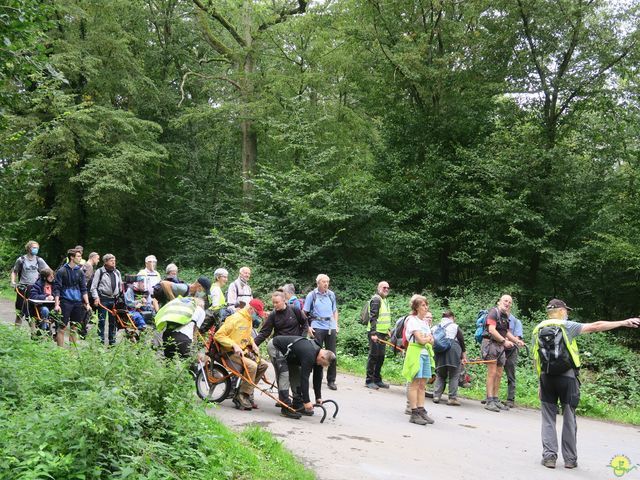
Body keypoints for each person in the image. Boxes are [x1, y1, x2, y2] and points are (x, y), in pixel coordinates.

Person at [533, 299, 640, 469]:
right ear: (561, 311)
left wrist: (540, 382)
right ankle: (570, 460)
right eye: (566, 310)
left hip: (546, 378)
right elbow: (596, 326)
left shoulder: (538, 328)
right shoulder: (566, 325)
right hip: (567, 378)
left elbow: (536, 358)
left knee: (548, 418)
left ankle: (549, 457)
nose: (567, 312)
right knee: (569, 417)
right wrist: (624, 322)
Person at [255, 291, 309, 413]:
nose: (274, 305)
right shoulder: (273, 315)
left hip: (295, 347)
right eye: (273, 303)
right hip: (279, 348)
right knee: (283, 374)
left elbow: (305, 323)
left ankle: (297, 402)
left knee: (296, 373)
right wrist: (252, 345)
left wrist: (302, 338)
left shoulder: (294, 310)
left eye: (277, 302)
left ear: (284, 301)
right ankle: (283, 401)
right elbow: (264, 332)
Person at [214, 299, 269, 410]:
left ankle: (248, 391)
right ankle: (241, 395)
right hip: (230, 352)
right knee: (252, 366)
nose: (258, 317)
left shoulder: (248, 319)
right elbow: (218, 335)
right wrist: (233, 345)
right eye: (257, 314)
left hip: (243, 350)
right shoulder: (235, 318)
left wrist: (253, 344)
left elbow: (247, 336)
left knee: (263, 364)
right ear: (251, 309)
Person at [271, 335, 335, 419]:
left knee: (296, 375)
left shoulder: (319, 355)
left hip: (291, 355)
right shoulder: (310, 354)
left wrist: (318, 397)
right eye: (322, 364)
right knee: (284, 375)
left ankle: (297, 403)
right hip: (276, 346)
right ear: (322, 357)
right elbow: (304, 378)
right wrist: (307, 401)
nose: (320, 365)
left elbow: (317, 378)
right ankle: (285, 406)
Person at [481, 294, 525, 412]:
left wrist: (516, 341)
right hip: (490, 344)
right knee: (492, 372)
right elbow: (491, 330)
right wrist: (504, 341)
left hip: (500, 346)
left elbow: (506, 332)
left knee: (499, 373)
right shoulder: (493, 312)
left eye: (510, 302)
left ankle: (495, 399)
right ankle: (489, 400)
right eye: (505, 301)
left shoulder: (505, 316)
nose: (507, 303)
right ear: (499, 302)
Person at [402, 295, 435, 425]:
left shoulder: (425, 323)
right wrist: (426, 338)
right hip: (415, 353)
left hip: (425, 354)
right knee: (414, 383)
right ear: (416, 307)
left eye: (426, 305)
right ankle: (413, 411)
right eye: (423, 305)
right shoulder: (412, 320)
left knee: (422, 384)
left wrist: (426, 338)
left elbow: (432, 341)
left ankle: (421, 410)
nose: (426, 307)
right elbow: (421, 340)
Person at [304, 274, 339, 390]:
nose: (326, 284)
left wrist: (336, 324)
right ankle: (316, 379)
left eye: (327, 282)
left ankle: (331, 380)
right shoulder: (312, 295)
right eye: (324, 282)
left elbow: (335, 310)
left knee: (332, 353)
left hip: (330, 326)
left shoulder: (331, 294)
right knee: (316, 353)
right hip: (317, 326)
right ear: (318, 283)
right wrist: (308, 327)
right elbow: (304, 313)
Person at [53, 248, 92, 347]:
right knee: (62, 327)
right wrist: (57, 304)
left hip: (77, 303)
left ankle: (72, 353)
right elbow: (56, 289)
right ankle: (59, 353)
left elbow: (84, 289)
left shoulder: (80, 272)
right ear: (71, 257)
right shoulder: (62, 271)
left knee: (75, 328)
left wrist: (87, 304)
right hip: (65, 302)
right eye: (78, 256)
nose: (80, 258)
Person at [10, 240, 50, 326]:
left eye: (37, 248)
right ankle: (16, 333)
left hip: (34, 289)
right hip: (22, 288)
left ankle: (34, 334)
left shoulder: (39, 260)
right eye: (34, 247)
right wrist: (13, 281)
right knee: (20, 312)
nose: (36, 249)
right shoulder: (21, 260)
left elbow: (48, 271)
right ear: (28, 248)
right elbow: (14, 271)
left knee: (33, 312)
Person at [432, 310, 467, 406]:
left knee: (440, 374)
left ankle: (436, 396)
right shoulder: (455, 326)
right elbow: (461, 342)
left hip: (439, 353)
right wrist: (463, 355)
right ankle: (452, 398)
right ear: (452, 317)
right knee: (454, 375)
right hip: (453, 353)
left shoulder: (435, 327)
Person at [90, 254, 122, 346]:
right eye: (111, 260)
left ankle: (112, 342)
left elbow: (120, 286)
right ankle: (101, 342)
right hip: (103, 299)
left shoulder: (117, 272)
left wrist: (119, 296)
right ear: (106, 262)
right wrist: (96, 298)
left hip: (114, 299)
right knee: (102, 321)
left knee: (113, 322)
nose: (113, 262)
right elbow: (93, 287)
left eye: (114, 260)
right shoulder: (100, 272)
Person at [365, 281, 392, 389]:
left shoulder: (385, 300)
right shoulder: (376, 299)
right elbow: (373, 317)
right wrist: (373, 333)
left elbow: (384, 317)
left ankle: (377, 379)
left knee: (380, 357)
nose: (386, 289)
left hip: (383, 333)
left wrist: (388, 330)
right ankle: (369, 380)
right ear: (379, 288)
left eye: (388, 288)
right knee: (373, 356)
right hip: (375, 333)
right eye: (384, 287)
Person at [504, 312, 524, 408]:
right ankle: (491, 396)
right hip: (499, 349)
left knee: (510, 375)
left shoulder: (516, 322)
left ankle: (510, 399)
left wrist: (508, 340)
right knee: (494, 373)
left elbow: (517, 338)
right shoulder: (498, 319)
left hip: (511, 351)